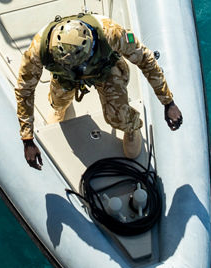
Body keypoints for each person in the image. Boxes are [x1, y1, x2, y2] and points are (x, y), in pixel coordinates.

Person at [16, 13, 183, 170]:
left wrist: (168, 102)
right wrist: (27, 139)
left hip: (105, 70)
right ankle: (62, 108)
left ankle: (130, 128)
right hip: (66, 76)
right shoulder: (37, 50)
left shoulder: (112, 33)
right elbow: (25, 90)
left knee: (118, 115)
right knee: (57, 101)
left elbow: (145, 59)